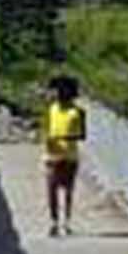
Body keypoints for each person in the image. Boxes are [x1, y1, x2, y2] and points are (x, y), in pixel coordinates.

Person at [41, 75, 87, 236]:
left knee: (68, 190)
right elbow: (46, 128)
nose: (59, 94)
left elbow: (82, 135)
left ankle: (67, 221)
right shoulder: (51, 109)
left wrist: (65, 137)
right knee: (51, 189)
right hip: (52, 154)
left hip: (70, 154)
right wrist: (48, 138)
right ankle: (54, 221)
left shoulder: (78, 112)